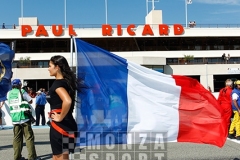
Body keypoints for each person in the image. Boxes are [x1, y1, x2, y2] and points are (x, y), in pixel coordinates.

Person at [47, 55, 80, 160]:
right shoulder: (67, 82)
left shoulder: (58, 84)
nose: (48, 68)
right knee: (59, 156)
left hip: (61, 126)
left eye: (50, 66)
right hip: (69, 125)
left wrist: (60, 117)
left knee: (59, 156)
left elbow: (67, 101)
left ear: (57, 67)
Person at [7, 79, 40, 160]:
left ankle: (17, 157)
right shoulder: (22, 91)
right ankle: (32, 157)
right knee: (29, 138)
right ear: (20, 85)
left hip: (15, 119)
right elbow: (30, 100)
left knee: (17, 139)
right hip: (24, 118)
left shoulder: (9, 93)